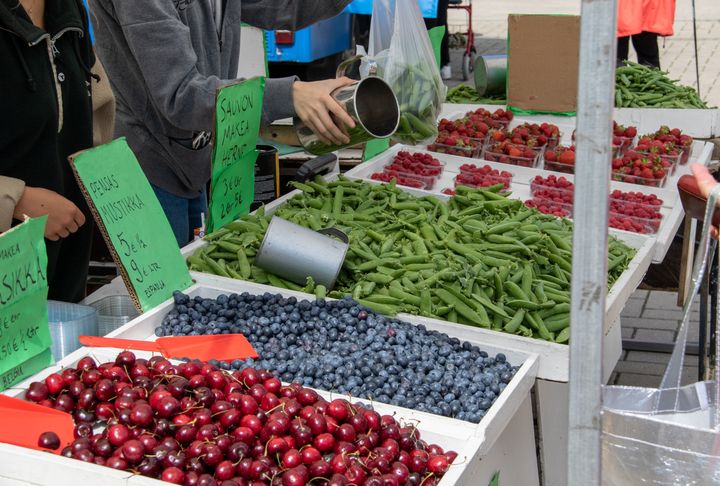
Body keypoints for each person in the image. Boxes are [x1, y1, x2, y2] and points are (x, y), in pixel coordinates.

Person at [89, 0, 358, 246]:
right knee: (169, 294)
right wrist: (290, 95)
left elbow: (284, 7)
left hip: (197, 156)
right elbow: (180, 95)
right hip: (148, 166)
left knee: (197, 277)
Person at [1, 0, 98, 303]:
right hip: (10, 289)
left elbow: (93, 111)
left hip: (64, 280)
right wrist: (15, 198)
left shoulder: (68, 10)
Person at [617, 0, 676, 69]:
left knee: (616, 58)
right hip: (647, 10)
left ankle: (616, 75)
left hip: (621, 10)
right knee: (649, 60)